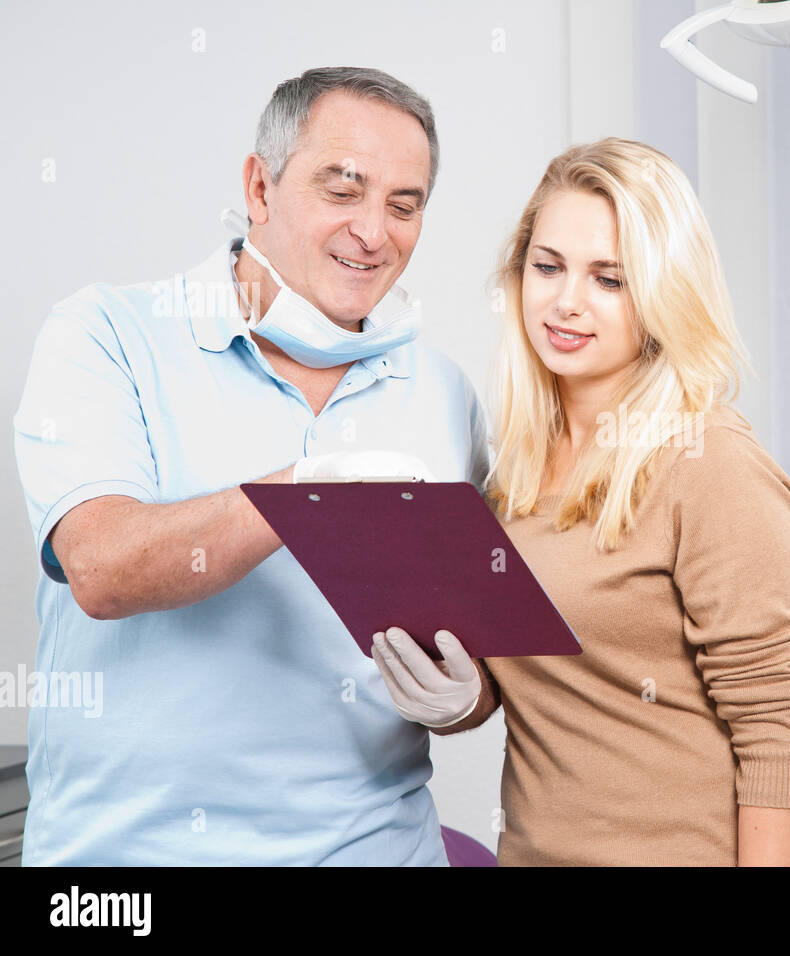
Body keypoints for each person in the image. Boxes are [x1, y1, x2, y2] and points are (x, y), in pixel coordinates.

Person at [12, 67, 488, 865]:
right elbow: (100, 568)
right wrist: (301, 495)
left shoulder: (442, 393)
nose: (374, 233)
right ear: (259, 187)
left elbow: (476, 644)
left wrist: (464, 701)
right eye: (344, 190)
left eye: (404, 206)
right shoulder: (106, 336)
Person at [370, 138, 790, 866]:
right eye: (547, 267)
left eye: (610, 279)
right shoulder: (511, 474)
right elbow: (552, 681)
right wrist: (465, 696)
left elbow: (777, 734)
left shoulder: (709, 463)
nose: (567, 301)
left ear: (662, 294)